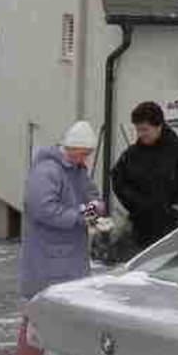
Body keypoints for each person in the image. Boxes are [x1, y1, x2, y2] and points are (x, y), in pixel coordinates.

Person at [19, 120, 105, 299]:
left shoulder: (77, 170)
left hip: (70, 255)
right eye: (83, 154)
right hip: (49, 256)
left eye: (88, 155)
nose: (86, 159)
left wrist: (96, 209)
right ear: (71, 147)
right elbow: (43, 210)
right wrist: (82, 216)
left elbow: (92, 195)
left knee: (71, 303)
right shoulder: (46, 171)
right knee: (48, 306)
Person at [111, 101, 178, 248]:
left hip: (176, 227)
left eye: (145, 129)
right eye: (138, 130)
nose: (141, 134)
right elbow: (118, 181)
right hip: (142, 229)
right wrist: (136, 204)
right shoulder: (132, 155)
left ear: (159, 126)